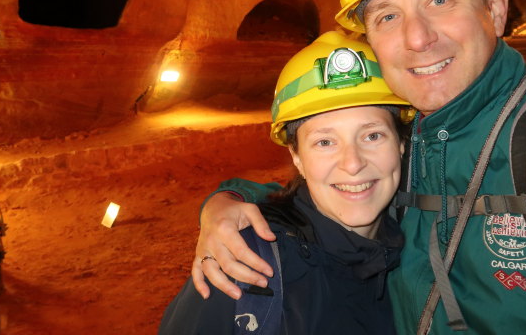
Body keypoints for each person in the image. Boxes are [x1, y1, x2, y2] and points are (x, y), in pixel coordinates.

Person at [191, 0, 526, 334]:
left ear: (495, 7)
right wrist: (227, 203)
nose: (417, 37)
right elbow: (328, 189)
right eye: (389, 16)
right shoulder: (417, 147)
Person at [159, 31, 410, 333]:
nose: (353, 164)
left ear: (401, 144)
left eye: (372, 135)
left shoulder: (419, 236)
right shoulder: (244, 264)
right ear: (297, 156)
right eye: (325, 142)